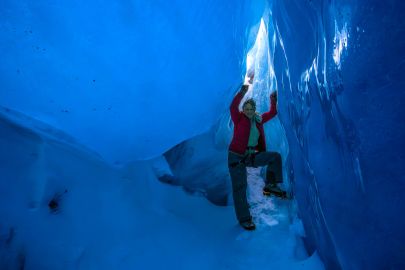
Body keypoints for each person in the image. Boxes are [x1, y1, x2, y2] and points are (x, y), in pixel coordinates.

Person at [228, 82, 285, 231]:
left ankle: (271, 185)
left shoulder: (258, 119)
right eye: (245, 109)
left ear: (254, 110)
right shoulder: (238, 118)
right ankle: (245, 219)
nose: (247, 111)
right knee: (240, 187)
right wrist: (241, 93)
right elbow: (233, 107)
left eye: (250, 109)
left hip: (250, 156)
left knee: (275, 157)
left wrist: (273, 99)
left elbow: (272, 113)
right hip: (236, 157)